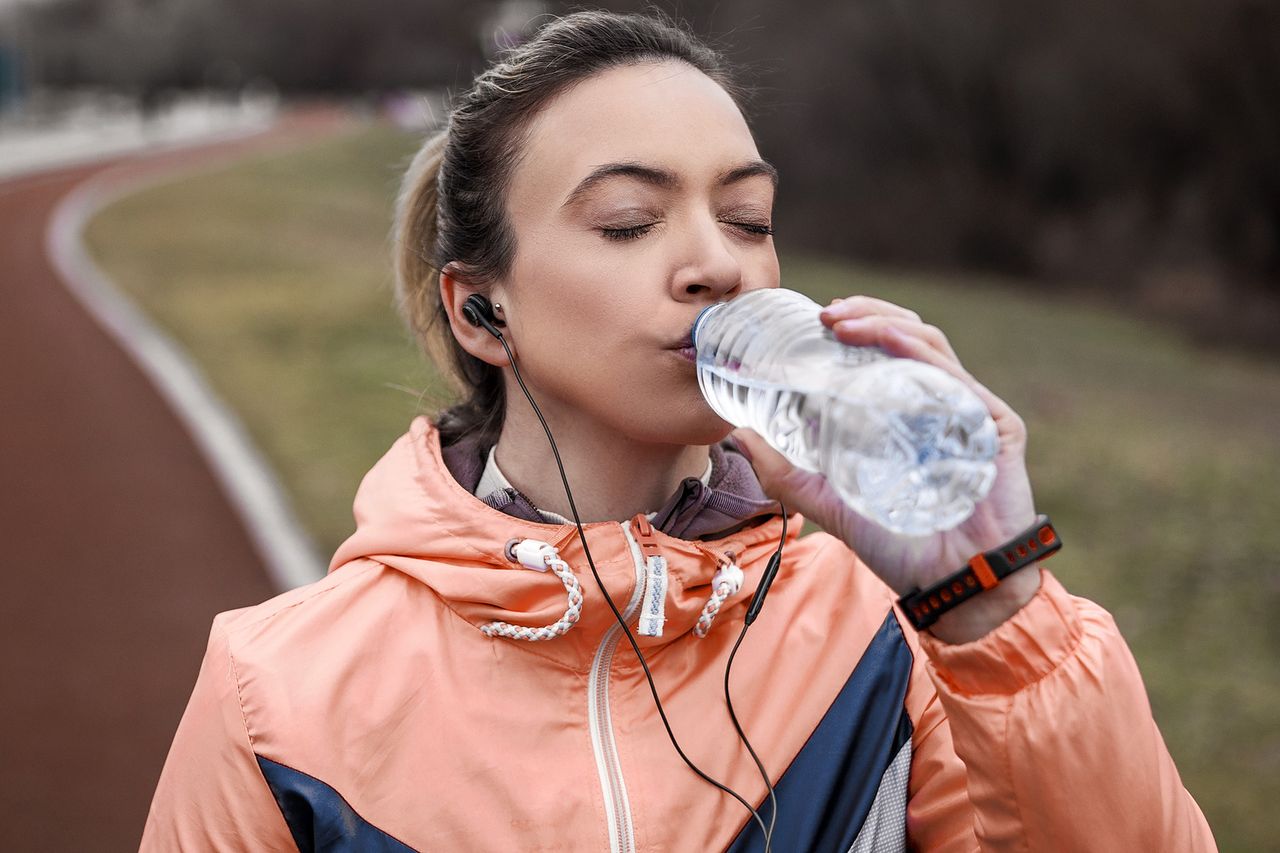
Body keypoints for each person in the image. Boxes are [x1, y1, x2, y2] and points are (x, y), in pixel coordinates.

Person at [141, 10, 1217, 852]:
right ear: (481, 310)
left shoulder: (893, 635)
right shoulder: (274, 692)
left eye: (747, 217)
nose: (720, 264)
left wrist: (996, 611)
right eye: (628, 222)